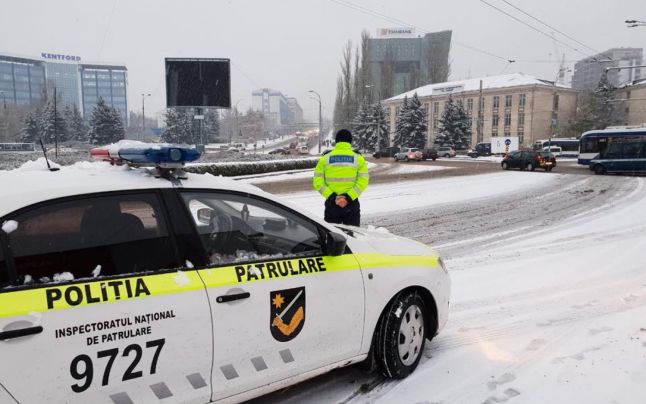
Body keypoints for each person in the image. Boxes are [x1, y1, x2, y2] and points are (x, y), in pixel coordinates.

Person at [312, 129, 369, 226]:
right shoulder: (358, 158)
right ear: (350, 141)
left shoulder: (325, 158)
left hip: (332, 205)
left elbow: (318, 181)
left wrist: (332, 197)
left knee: (333, 236)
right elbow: (363, 181)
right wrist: (349, 197)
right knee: (352, 236)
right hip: (351, 204)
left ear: (336, 141)